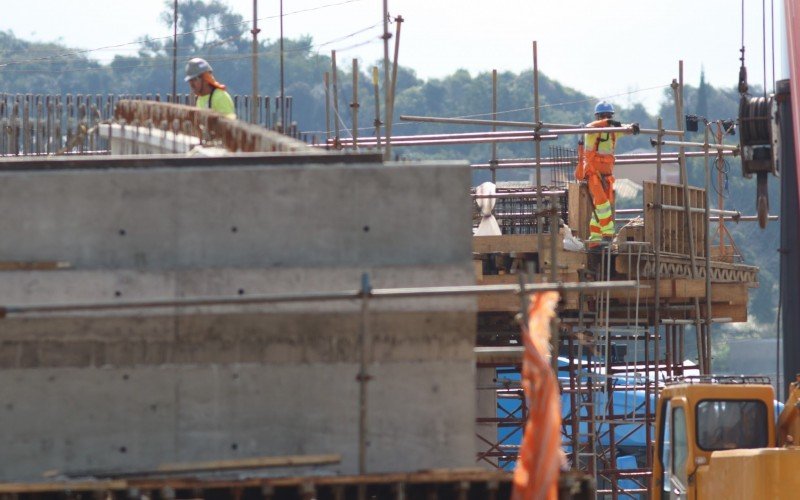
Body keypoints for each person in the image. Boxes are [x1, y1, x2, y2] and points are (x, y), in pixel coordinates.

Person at [574, 101, 639, 250]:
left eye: (608, 116)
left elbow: (625, 130)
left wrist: (631, 127)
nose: (605, 118)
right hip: (593, 173)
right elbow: (590, 127)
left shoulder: (613, 132)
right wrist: (607, 122)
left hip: (607, 175)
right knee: (602, 204)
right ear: (598, 117)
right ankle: (608, 234)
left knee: (600, 207)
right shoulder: (591, 131)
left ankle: (596, 240)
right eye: (603, 116)